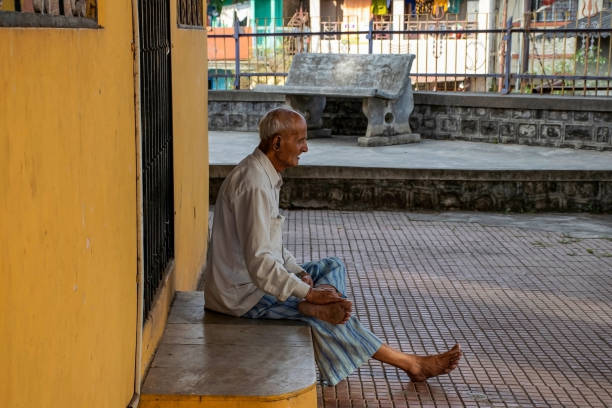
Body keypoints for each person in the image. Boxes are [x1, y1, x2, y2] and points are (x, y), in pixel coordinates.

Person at [204, 107, 461, 386]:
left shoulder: (265, 175)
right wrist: (310, 293)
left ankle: (318, 308)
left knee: (332, 266)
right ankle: (410, 363)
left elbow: (271, 247)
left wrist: (300, 273)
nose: (305, 148)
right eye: (300, 140)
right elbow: (260, 264)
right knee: (327, 311)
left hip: (255, 281)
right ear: (277, 143)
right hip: (242, 297)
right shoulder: (254, 183)